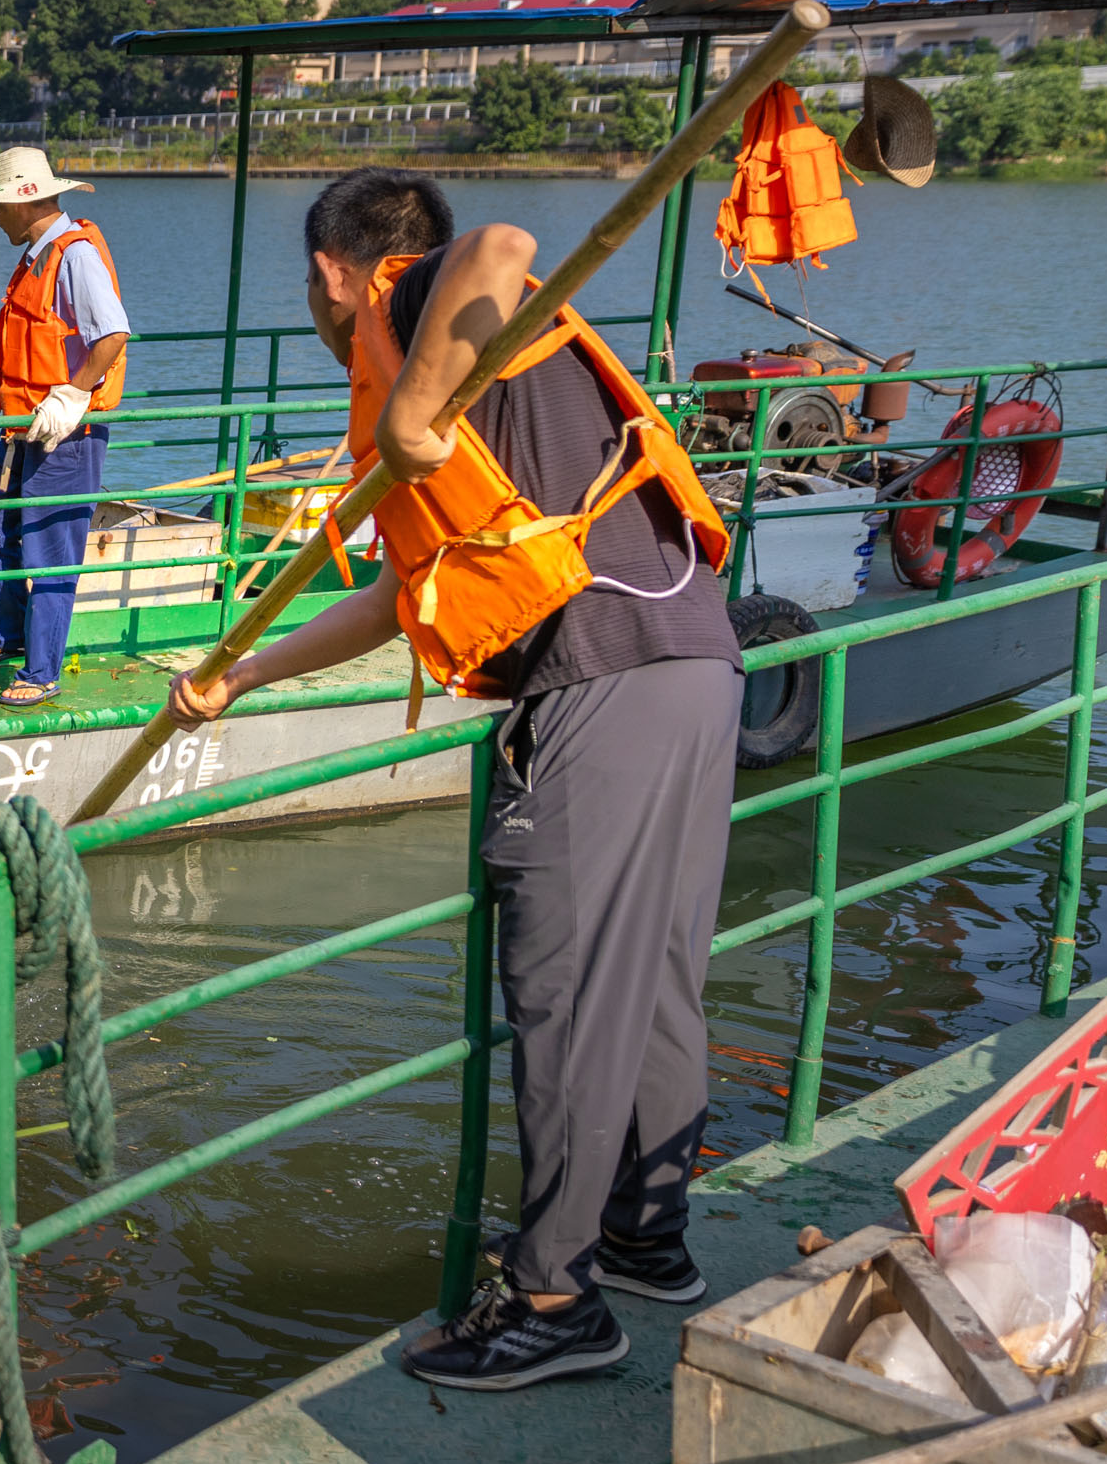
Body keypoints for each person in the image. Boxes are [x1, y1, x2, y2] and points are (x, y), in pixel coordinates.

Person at [167, 167, 741, 1393]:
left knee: (568, 986)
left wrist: (406, 412)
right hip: (687, 660)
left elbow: (499, 237)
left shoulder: (424, 291)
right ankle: (642, 1235)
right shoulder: (462, 357)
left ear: (333, 273)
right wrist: (244, 674)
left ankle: (554, 1297)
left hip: (608, 671)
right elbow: (397, 596)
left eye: (310, 290)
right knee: (645, 981)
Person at [0, 146, 130, 707]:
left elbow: (112, 334)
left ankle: (42, 671)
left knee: (50, 549)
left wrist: (74, 394)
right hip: (23, 430)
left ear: (26, 201)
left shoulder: (74, 255)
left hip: (65, 434)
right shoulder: (38, 253)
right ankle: (7, 636)